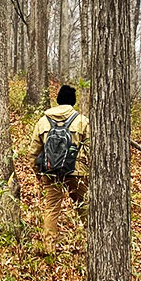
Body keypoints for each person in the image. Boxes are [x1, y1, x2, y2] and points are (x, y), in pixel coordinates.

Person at [29, 84, 89, 252]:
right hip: (76, 173)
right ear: (73, 101)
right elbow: (91, 149)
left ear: (58, 100)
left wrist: (38, 173)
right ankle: (92, 243)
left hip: (50, 171)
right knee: (85, 206)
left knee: (51, 209)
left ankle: (49, 248)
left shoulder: (43, 121)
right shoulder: (82, 121)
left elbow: (33, 151)